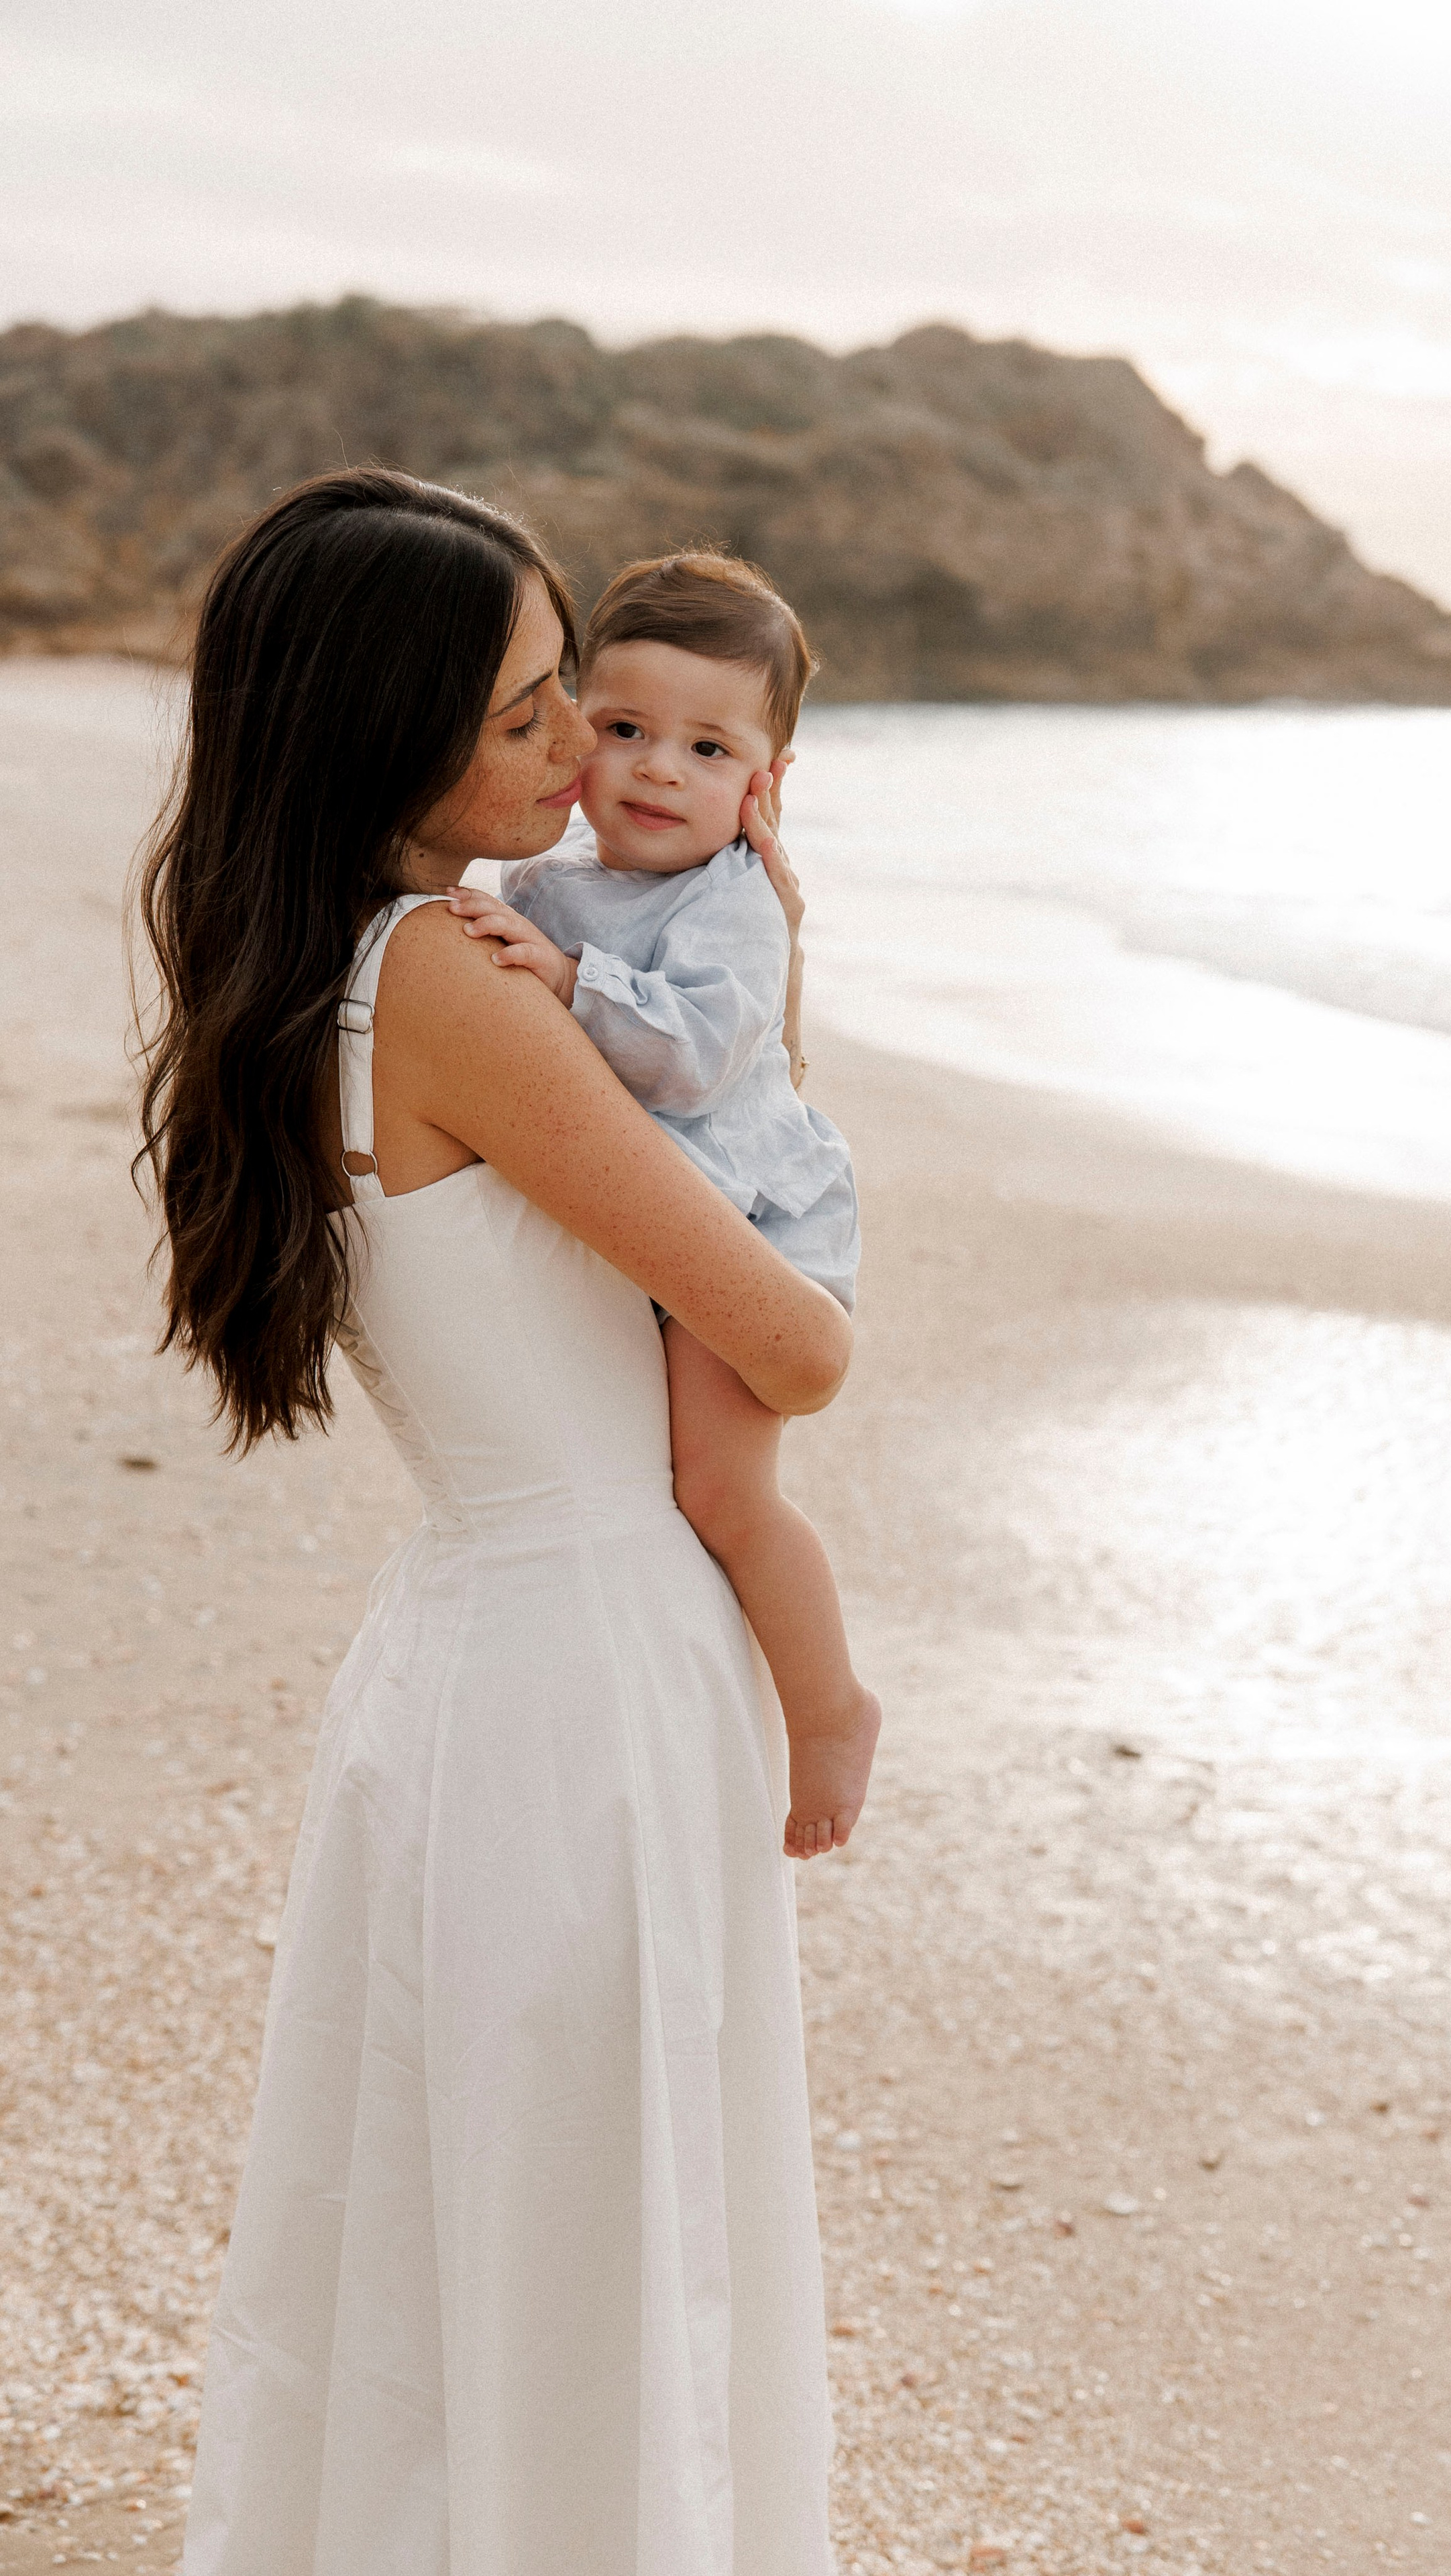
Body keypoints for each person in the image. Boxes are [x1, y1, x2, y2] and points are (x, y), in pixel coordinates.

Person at [136, 466, 850, 2574]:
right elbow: (789, 1343)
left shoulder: (313, 970)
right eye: (539, 708)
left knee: (457, 2261)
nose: (580, 755)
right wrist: (766, 996)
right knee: (592, 2259)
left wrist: (740, 968)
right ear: (392, 726)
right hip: (584, 1686)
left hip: (470, 1648)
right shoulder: (455, 980)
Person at [446, 551, 879, 1862]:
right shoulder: (555, 882)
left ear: (767, 783)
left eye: (705, 746)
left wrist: (571, 983)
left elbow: (691, 1056)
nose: (653, 769)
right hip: (663, 1212)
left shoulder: (738, 903)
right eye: (623, 730)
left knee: (721, 1487)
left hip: (758, 1220)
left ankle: (827, 1706)